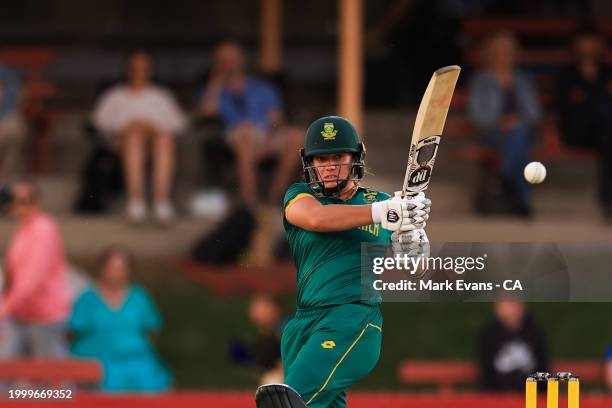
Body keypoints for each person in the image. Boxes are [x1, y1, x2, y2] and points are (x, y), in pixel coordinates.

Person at [256, 116, 431, 408]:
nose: (328, 166)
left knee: (287, 401)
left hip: (353, 320)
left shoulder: (381, 201)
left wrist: (413, 236)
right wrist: (384, 212)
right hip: (303, 325)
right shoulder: (300, 196)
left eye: (337, 156)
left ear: (356, 158)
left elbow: (416, 267)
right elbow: (317, 219)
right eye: (320, 158)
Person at [196, 41, 302, 206]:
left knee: (297, 135)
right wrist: (216, 83)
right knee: (244, 133)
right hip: (235, 135)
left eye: (232, 59)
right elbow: (206, 112)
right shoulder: (213, 90)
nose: (228, 64)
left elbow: (277, 119)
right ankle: (249, 199)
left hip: (267, 133)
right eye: (223, 60)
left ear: (241, 60)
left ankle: (278, 193)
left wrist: (267, 138)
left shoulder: (264, 87)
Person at [92, 51, 186, 224]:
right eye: (135, 68)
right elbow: (99, 122)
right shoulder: (115, 96)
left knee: (164, 139)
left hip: (156, 144)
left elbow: (179, 123)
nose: (139, 71)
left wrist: (152, 127)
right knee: (135, 137)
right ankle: (136, 202)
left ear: (150, 70)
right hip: (122, 144)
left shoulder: (161, 97)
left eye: (143, 68)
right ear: (128, 70)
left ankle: (161, 202)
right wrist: (126, 127)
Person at [69, 246, 171, 393]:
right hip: (97, 362)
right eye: (111, 268)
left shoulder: (139, 297)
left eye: (120, 268)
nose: (115, 274)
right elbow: (72, 331)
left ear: (128, 271)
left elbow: (152, 329)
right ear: (102, 269)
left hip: (137, 362)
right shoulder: (87, 298)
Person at [469, 32, 541, 216]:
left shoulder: (523, 81)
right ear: (490, 55)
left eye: (508, 53)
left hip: (521, 131)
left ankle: (505, 176)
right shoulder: (481, 81)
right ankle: (522, 203)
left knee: (518, 135)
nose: (503, 57)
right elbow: (478, 116)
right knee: (520, 146)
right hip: (492, 133)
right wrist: (500, 122)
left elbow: (534, 114)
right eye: (499, 52)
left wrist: (516, 121)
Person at [0, 181, 71, 358]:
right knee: (7, 367)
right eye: (14, 200)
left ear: (37, 202)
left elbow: (32, 277)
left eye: (25, 201)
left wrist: (5, 307)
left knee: (52, 374)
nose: (17, 205)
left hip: (45, 315)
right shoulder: (23, 228)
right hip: (22, 313)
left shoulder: (43, 228)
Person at [556, 27, 612, 222]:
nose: (587, 48)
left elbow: (583, 100)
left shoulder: (607, 71)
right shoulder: (567, 74)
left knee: (608, 134)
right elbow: (565, 107)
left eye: (592, 42)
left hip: (605, 134)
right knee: (605, 115)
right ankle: (608, 201)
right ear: (575, 46)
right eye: (583, 43)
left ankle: (608, 202)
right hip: (577, 131)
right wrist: (599, 95)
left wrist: (586, 97)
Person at [478, 301, 548, 392]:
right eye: (507, 303)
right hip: (497, 398)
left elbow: (543, 367)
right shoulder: (488, 335)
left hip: (531, 396)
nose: (512, 309)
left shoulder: (535, 333)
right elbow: (485, 373)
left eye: (515, 303)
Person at [0, 64, 27, 178]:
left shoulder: (6, 75)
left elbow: (20, 97)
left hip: (8, 120)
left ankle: (7, 181)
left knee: (14, 130)